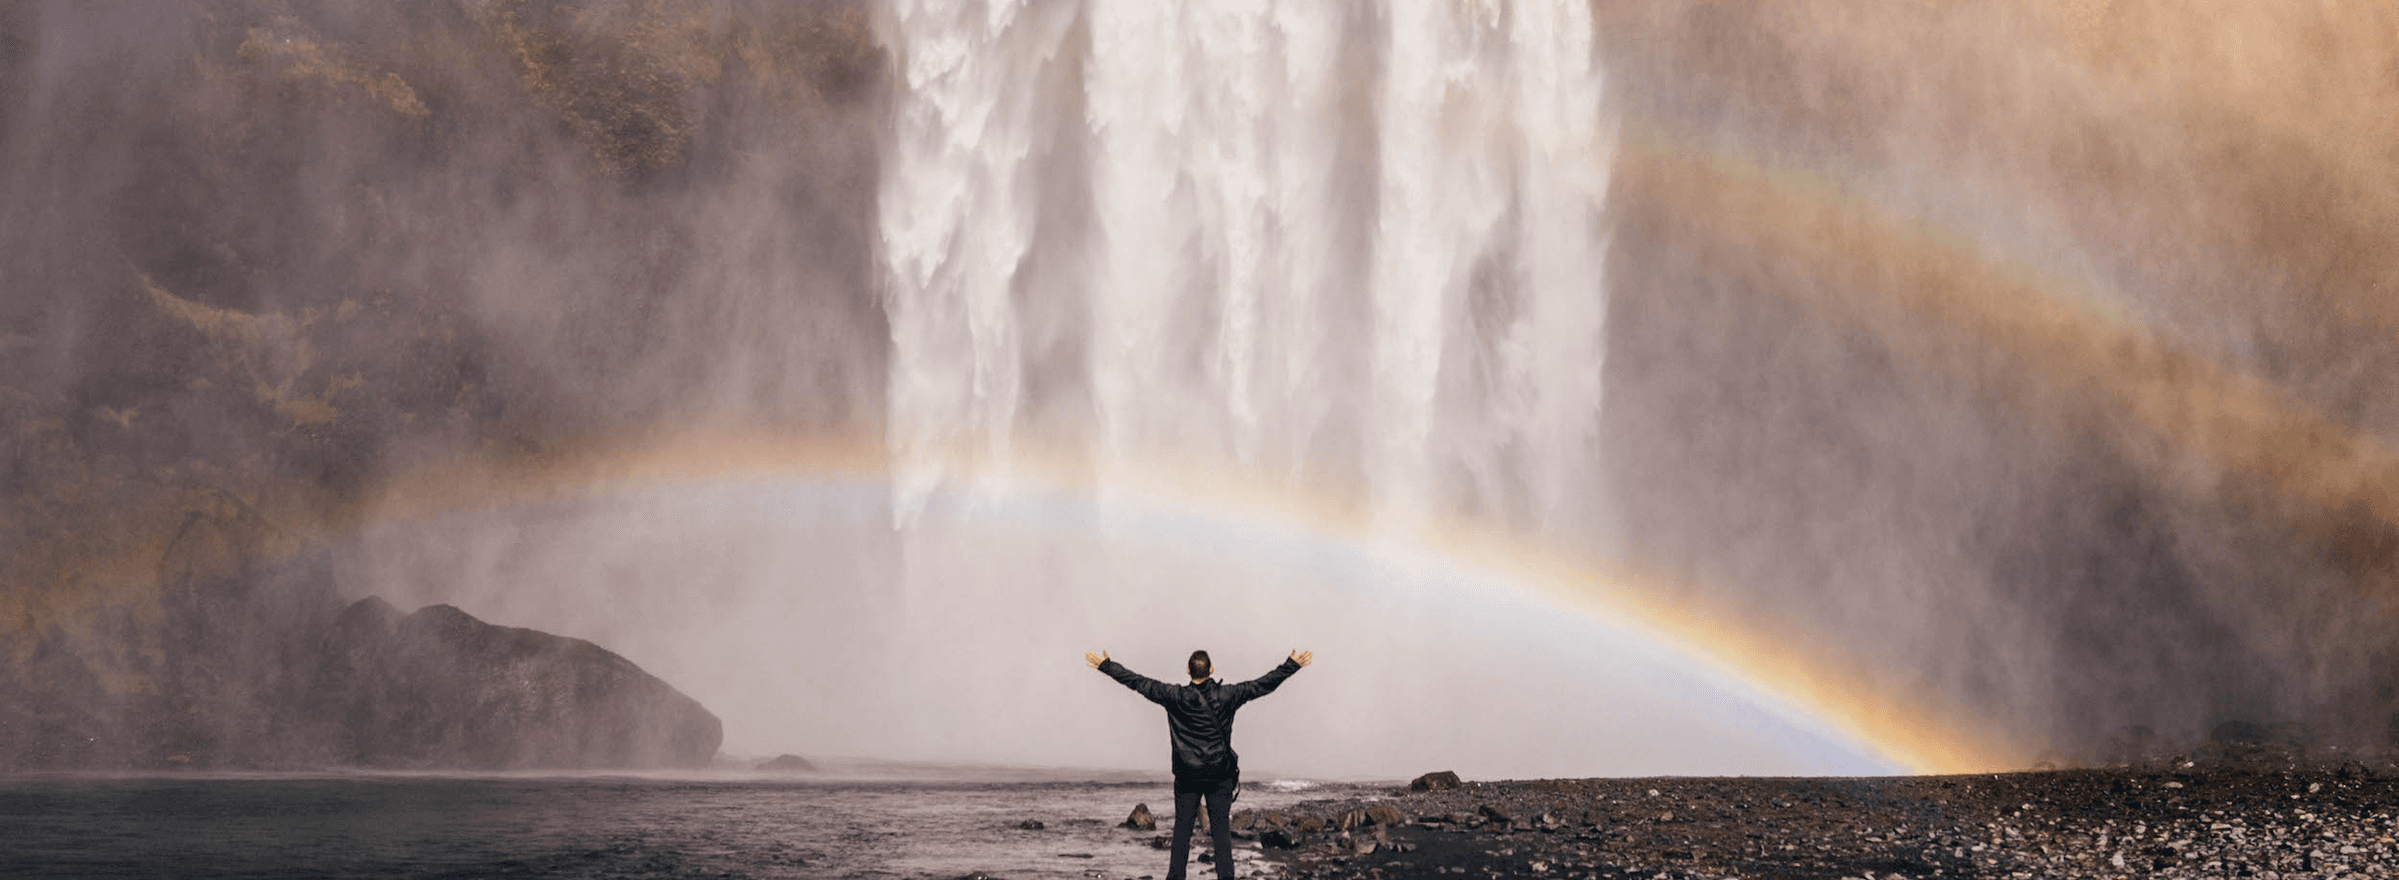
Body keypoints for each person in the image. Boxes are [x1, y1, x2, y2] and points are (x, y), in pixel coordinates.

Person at [1086, 647, 1312, 880]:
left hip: (1187, 777)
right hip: (1219, 776)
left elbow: (1137, 682)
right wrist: (1291, 665)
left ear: (1187, 671)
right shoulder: (1228, 695)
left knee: (1181, 834)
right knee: (1221, 835)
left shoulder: (1173, 695)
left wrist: (1106, 666)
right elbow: (1263, 685)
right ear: (1211, 670)